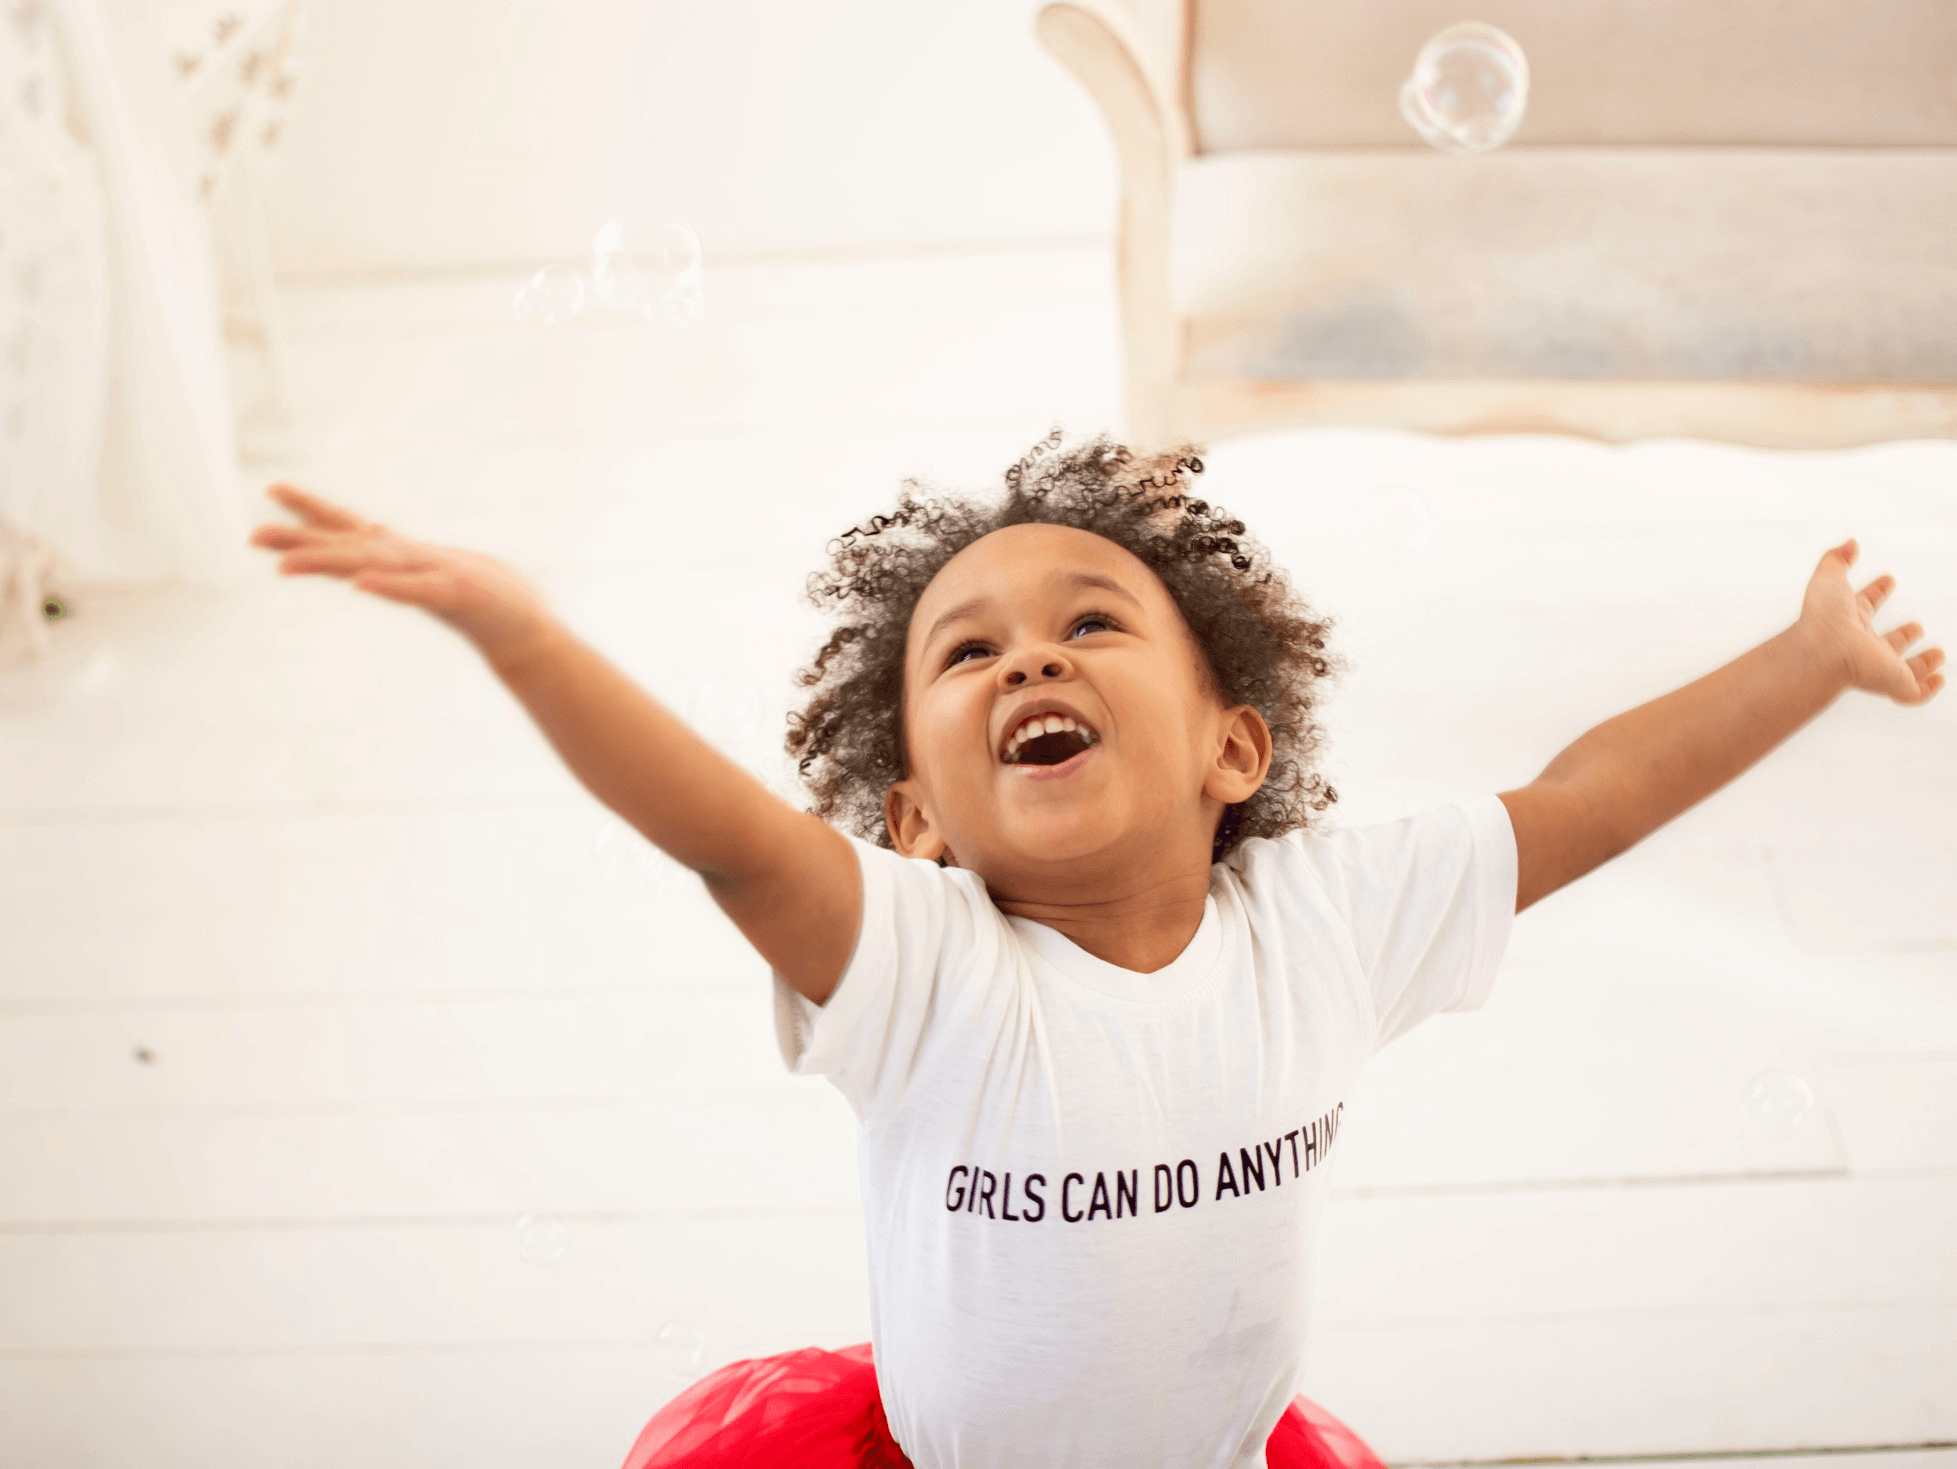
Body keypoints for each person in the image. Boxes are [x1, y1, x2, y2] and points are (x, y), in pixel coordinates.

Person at [248, 431, 1944, 1468]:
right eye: (966, 653)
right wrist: (524, 634)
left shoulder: (1330, 926)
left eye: (1088, 625)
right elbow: (724, 835)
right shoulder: (925, 977)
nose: (1026, 666)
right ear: (913, 816)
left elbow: (1590, 796)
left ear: (1234, 748)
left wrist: (1805, 657)